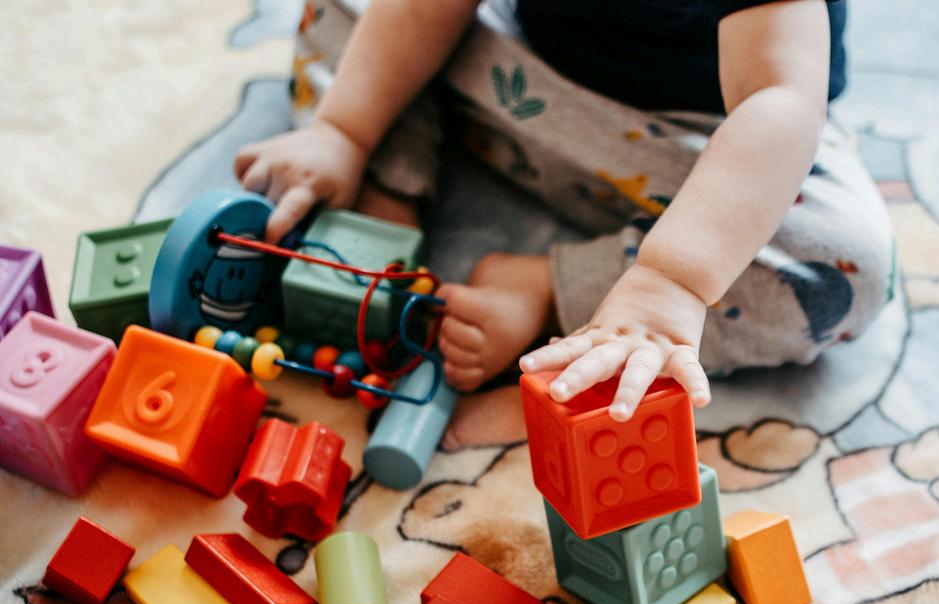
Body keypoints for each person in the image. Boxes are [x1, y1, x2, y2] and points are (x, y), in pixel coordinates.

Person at [234, 0, 894, 420]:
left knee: (844, 271)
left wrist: (670, 282)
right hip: (517, 80)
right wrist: (345, 129)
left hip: (705, 150)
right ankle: (386, 191)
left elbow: (777, 100)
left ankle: (548, 290)